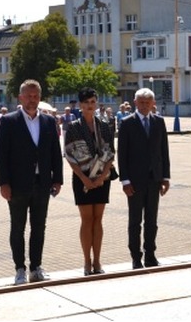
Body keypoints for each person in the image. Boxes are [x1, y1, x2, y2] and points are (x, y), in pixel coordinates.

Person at [0, 79, 63, 285]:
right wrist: (3, 183)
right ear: (20, 97)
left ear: (40, 98)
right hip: (17, 184)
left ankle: (36, 267)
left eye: (36, 96)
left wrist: (57, 179)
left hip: (42, 183)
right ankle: (19, 269)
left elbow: (55, 153)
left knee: (39, 227)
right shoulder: (9, 121)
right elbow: (1, 154)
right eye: (28, 96)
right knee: (18, 227)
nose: (32, 100)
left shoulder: (49, 122)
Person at [64, 88, 116, 276]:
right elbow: (69, 156)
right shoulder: (73, 127)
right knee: (87, 220)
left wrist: (101, 177)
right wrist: (85, 178)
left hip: (103, 178)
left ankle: (98, 262)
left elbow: (111, 153)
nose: (89, 105)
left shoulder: (105, 125)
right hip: (82, 179)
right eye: (86, 102)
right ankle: (87, 262)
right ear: (80, 105)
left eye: (92, 102)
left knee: (98, 219)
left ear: (97, 103)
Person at [118, 87, 171, 269]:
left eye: (148, 102)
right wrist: (125, 180)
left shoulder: (159, 122)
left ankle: (150, 254)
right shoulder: (127, 123)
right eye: (141, 102)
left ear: (153, 103)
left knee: (152, 220)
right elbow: (122, 155)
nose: (144, 105)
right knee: (135, 221)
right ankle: (135, 257)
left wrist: (165, 177)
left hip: (154, 179)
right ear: (135, 103)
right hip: (134, 181)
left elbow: (164, 151)